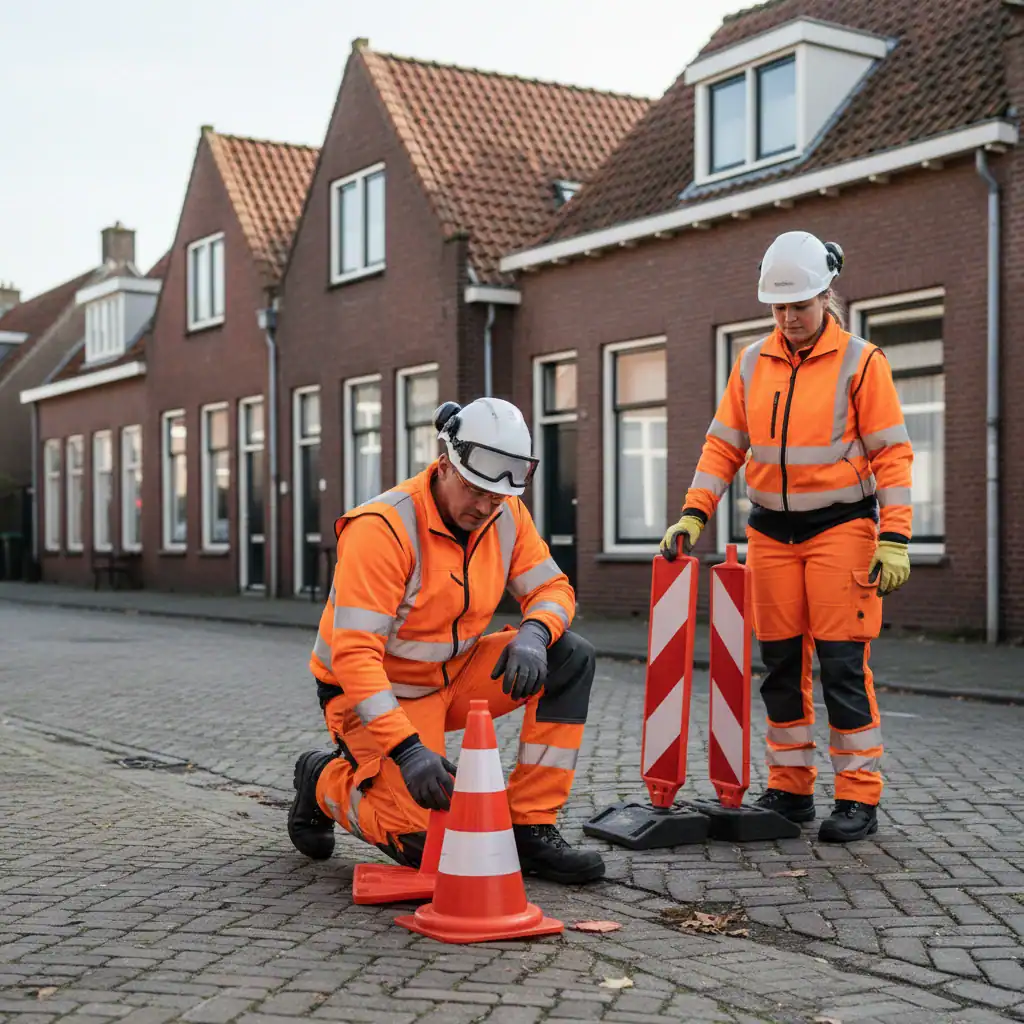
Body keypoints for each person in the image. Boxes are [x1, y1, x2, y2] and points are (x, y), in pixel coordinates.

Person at [287, 395, 605, 884]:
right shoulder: (383, 529)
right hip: (371, 694)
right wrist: (408, 751)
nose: (485, 507)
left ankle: (531, 826)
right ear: (444, 466)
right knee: (424, 845)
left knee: (570, 656)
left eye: (498, 498)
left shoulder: (506, 515)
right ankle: (323, 780)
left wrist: (536, 633)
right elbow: (355, 656)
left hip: (454, 676)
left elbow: (552, 587)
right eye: (476, 491)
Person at [661, 230, 913, 843]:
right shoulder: (751, 363)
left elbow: (892, 454)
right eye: (778, 307)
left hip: (842, 528)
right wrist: (695, 512)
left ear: (826, 295)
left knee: (842, 664)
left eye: (799, 305)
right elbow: (724, 445)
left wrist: (896, 537)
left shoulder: (862, 362)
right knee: (778, 664)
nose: (788, 318)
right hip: (770, 531)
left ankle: (857, 797)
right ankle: (791, 789)